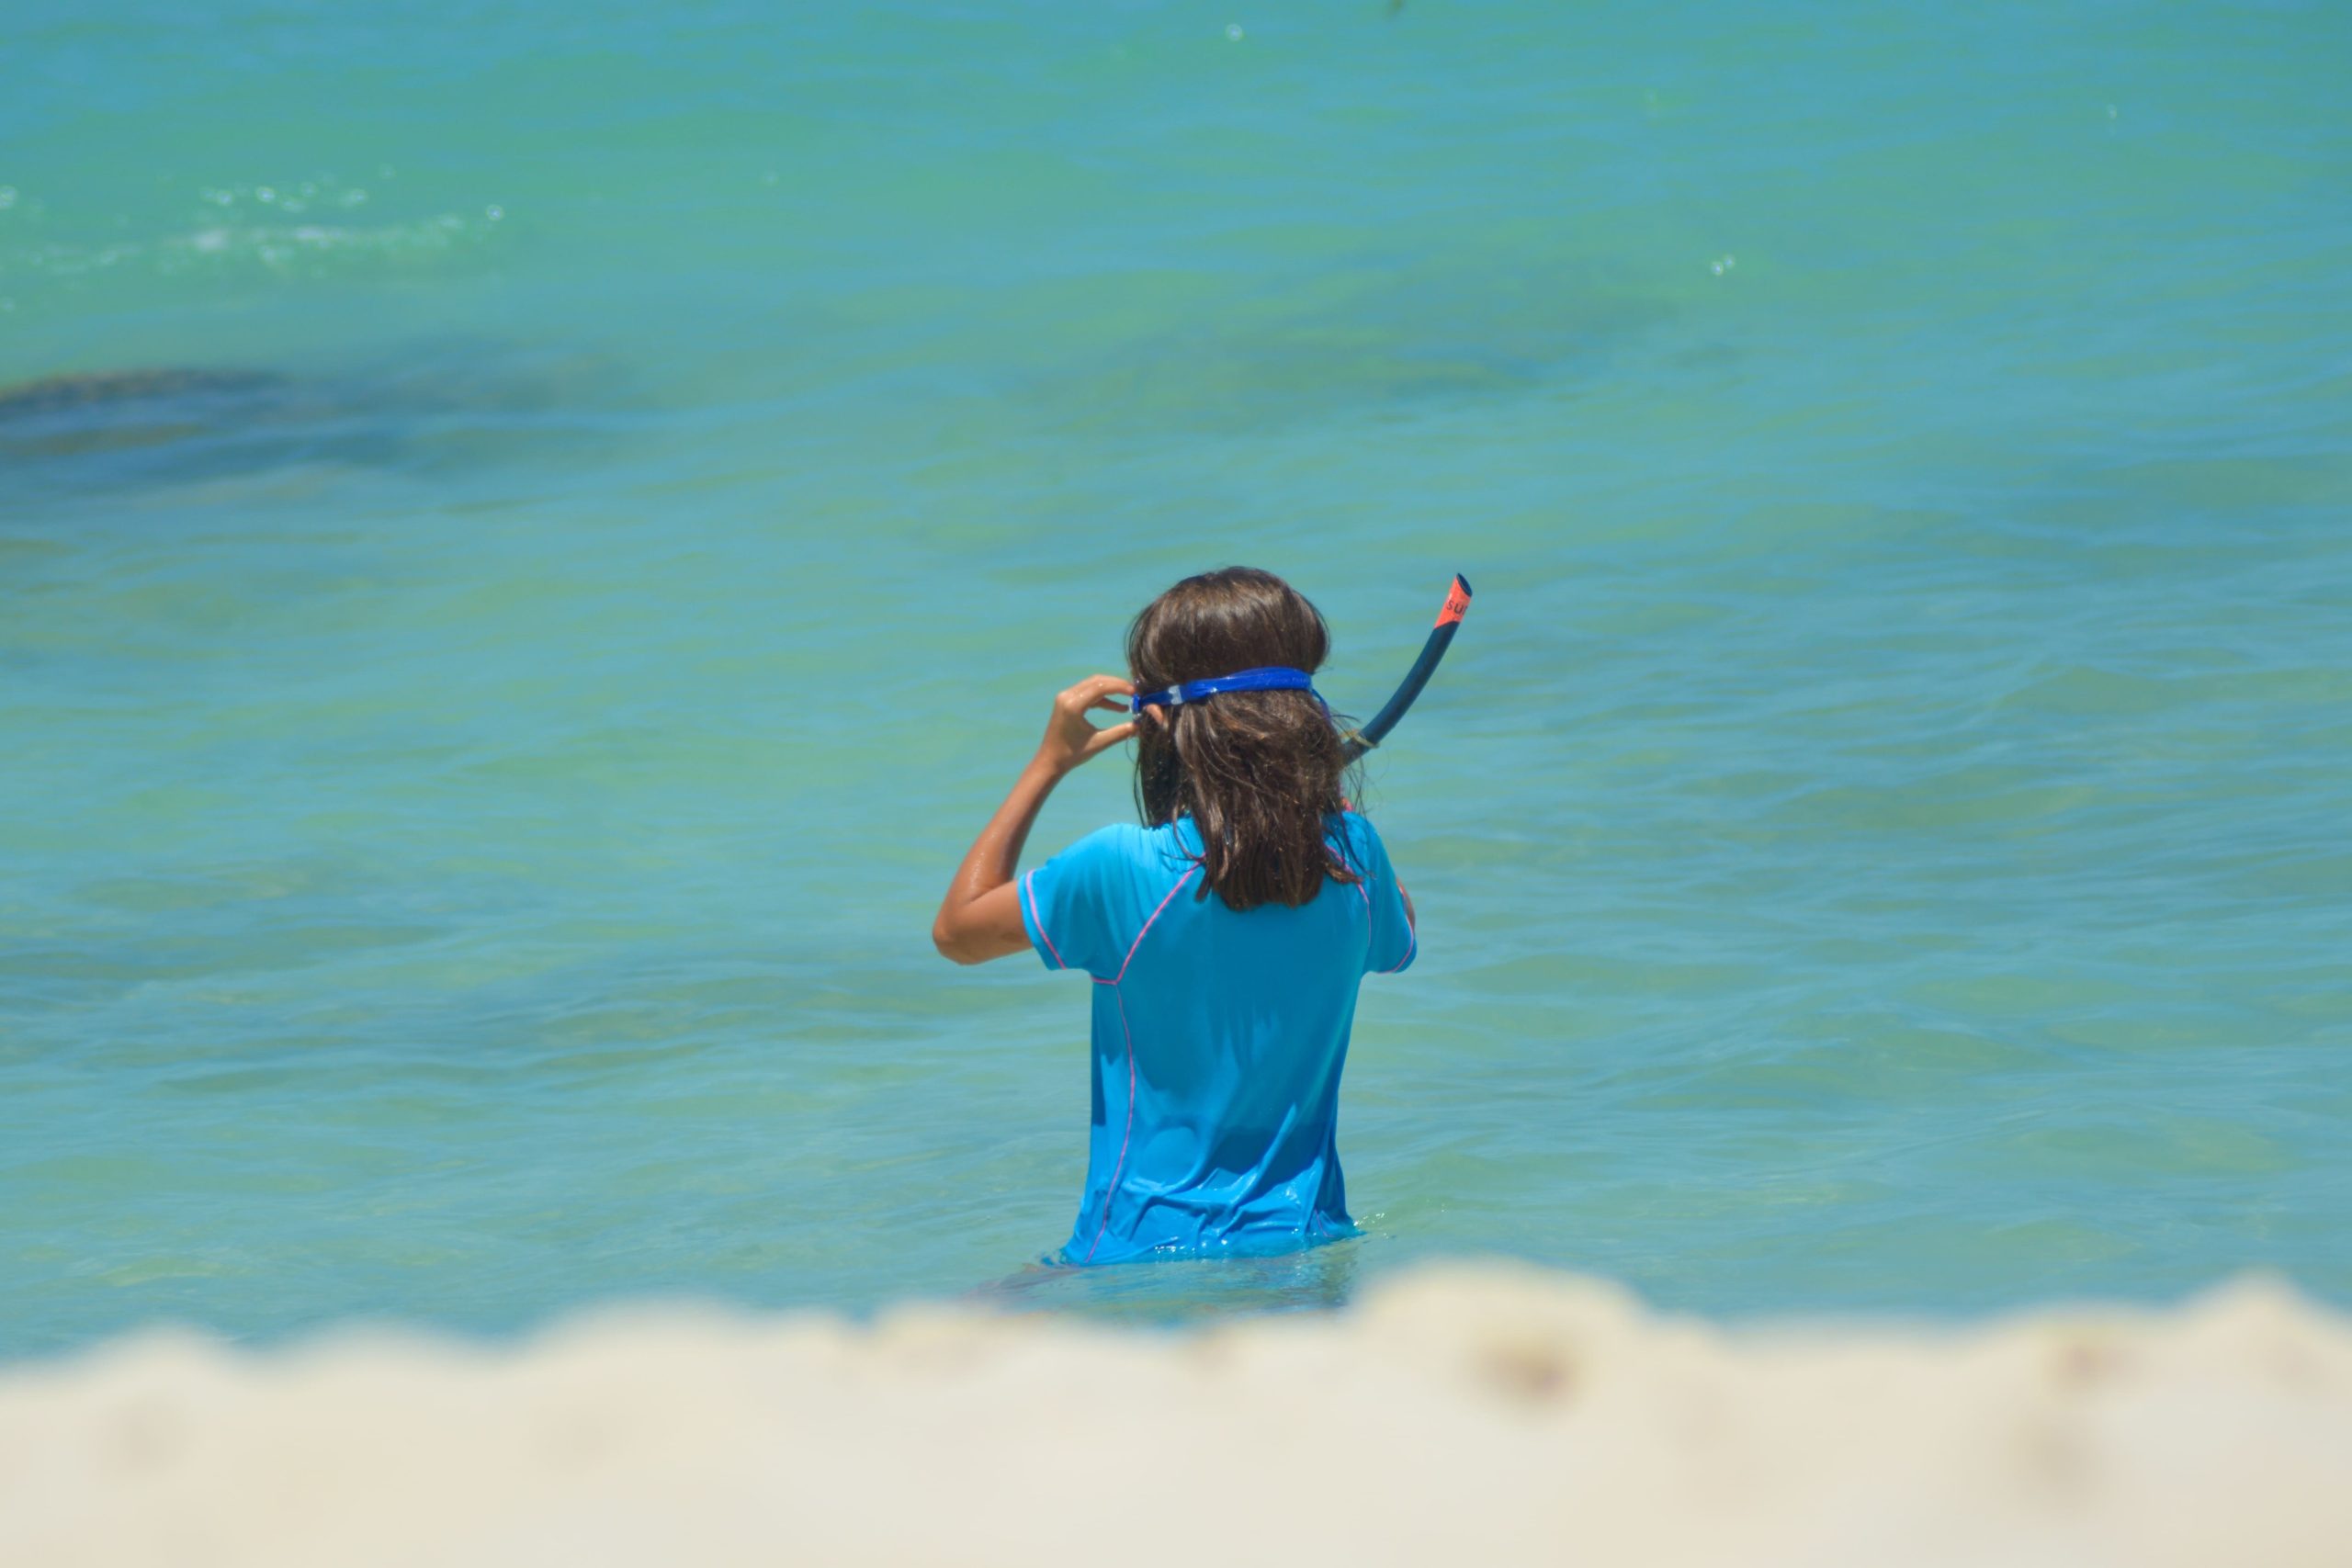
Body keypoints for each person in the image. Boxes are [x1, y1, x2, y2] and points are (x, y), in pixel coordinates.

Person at [932, 567, 1417, 1265]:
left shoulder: (1121, 870)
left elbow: (958, 931)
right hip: (1306, 1258)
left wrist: (1048, 764)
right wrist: (1314, 811)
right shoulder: (1357, 859)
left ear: (1155, 723)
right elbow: (1397, 927)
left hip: (1134, 1255)